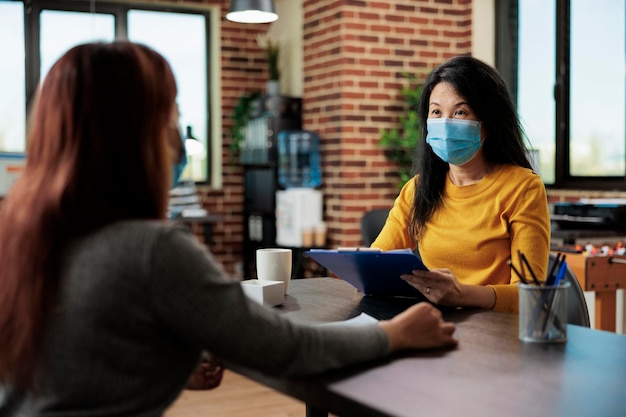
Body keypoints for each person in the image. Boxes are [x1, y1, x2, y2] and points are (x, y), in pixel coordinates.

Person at [0, 41, 456, 415]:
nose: (178, 139)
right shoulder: (151, 250)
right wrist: (394, 334)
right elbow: (284, 347)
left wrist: (164, 363)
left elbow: (77, 357)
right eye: (172, 118)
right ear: (135, 138)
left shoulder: (21, 233)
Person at [372, 55, 550, 314]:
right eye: (436, 112)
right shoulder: (416, 190)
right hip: (435, 327)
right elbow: (375, 263)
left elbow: (531, 297)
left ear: (487, 123)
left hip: (497, 336)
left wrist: (462, 294)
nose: (445, 123)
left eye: (460, 112)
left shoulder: (523, 188)